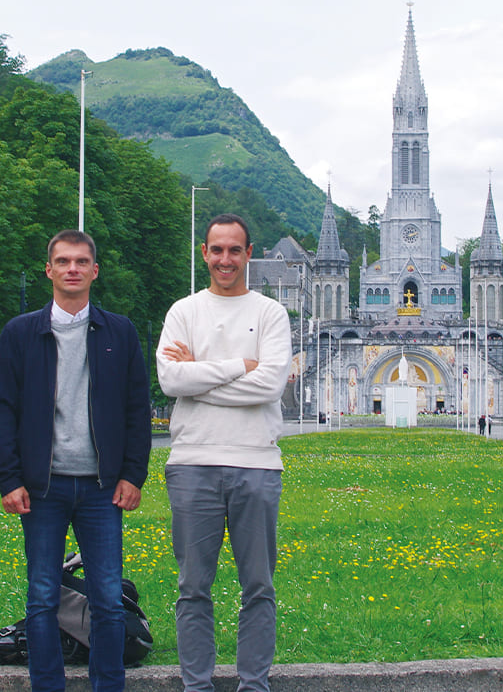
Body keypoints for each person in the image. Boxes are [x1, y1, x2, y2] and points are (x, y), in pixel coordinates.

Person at [0, 229, 151, 692]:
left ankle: (107, 685)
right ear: (49, 270)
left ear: (94, 270)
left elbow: (137, 409)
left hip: (102, 488)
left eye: (81, 261)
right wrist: (9, 479)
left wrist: (133, 474)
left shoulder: (119, 331)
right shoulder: (22, 333)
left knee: (107, 598)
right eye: (63, 261)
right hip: (42, 486)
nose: (72, 269)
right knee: (41, 597)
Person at [157, 213, 291, 692]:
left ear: (249, 254)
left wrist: (201, 377)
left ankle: (253, 684)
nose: (225, 259)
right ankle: (197, 685)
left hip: (257, 462)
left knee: (259, 587)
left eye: (235, 250)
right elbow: (171, 379)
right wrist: (238, 367)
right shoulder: (183, 311)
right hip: (193, 462)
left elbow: (271, 384)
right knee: (193, 588)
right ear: (204, 253)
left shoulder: (270, 313)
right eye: (217, 250)